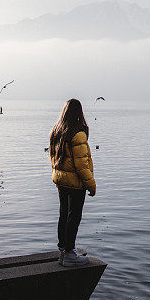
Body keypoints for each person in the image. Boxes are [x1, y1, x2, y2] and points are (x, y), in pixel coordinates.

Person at [49, 98, 96, 267]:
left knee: (64, 214)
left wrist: (57, 176)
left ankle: (63, 250)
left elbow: (53, 158)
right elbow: (82, 164)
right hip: (75, 183)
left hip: (61, 180)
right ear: (79, 113)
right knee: (74, 216)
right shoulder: (78, 133)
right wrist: (91, 185)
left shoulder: (57, 130)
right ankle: (69, 253)